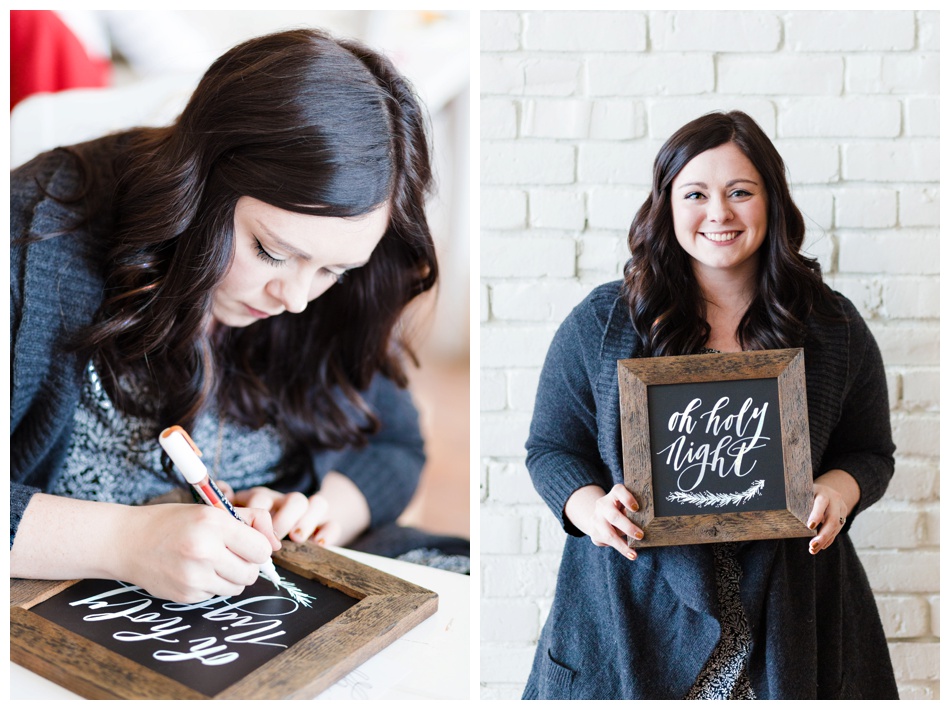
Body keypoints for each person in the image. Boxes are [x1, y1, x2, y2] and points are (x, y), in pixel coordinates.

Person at [10, 29, 438, 604]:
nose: (297, 298)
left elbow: (395, 445)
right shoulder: (35, 234)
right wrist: (122, 542)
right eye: (273, 252)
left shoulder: (337, 284)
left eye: (334, 270)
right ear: (200, 180)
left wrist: (316, 513)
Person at [522, 111, 897, 699]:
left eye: (740, 192)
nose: (719, 213)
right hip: (630, 616)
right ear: (667, 205)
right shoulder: (603, 322)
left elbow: (870, 451)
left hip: (790, 620)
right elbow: (551, 448)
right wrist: (592, 509)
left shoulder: (832, 326)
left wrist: (839, 492)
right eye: (695, 193)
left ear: (771, 202)